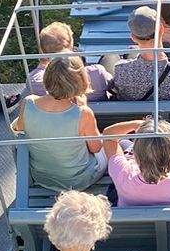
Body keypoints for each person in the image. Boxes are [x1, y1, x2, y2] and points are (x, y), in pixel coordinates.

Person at [13, 54, 107, 192]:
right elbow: (96, 148)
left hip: (43, 177)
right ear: (81, 80)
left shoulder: (28, 102)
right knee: (110, 142)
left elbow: (20, 129)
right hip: (78, 181)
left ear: (47, 77)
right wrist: (83, 107)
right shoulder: (83, 113)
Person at [100, 116, 170, 206]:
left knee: (123, 143)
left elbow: (108, 135)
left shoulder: (123, 174)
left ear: (135, 154)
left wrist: (135, 124)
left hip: (131, 215)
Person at [110, 6, 170, 101]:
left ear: (133, 37)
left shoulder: (121, 70)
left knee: (110, 56)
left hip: (131, 111)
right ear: (161, 29)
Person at [26, 21, 111, 101]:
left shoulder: (34, 81)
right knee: (110, 57)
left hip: (56, 110)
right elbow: (114, 85)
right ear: (70, 45)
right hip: (99, 110)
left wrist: (44, 60)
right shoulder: (97, 72)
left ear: (43, 51)